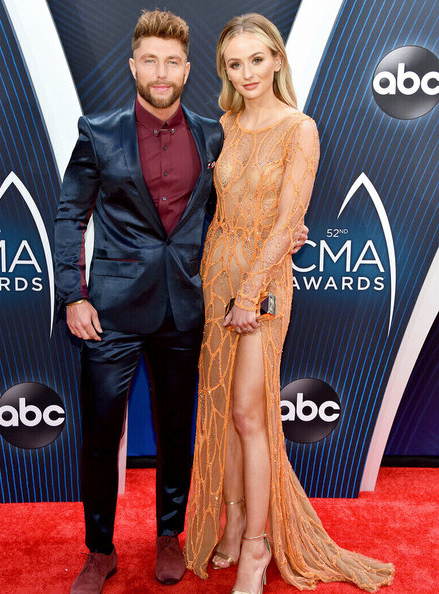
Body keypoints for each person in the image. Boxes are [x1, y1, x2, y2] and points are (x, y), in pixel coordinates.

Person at [54, 8, 310, 593]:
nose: (161, 72)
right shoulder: (98, 131)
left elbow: (230, 209)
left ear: (188, 69)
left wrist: (285, 231)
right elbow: (70, 216)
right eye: (150, 61)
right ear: (133, 66)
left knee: (177, 431)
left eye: (172, 62)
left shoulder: (214, 132)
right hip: (110, 311)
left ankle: (169, 535)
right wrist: (73, 296)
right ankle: (99, 550)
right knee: (101, 434)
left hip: (189, 307)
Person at [185, 13, 395, 594]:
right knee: (222, 410)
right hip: (216, 273)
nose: (247, 73)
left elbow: (287, 221)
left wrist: (250, 293)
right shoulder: (223, 125)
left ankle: (256, 548)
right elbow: (208, 204)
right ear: (225, 71)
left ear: (276, 59)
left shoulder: (300, 129)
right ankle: (231, 525)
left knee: (250, 415)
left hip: (263, 283)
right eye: (234, 64)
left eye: (257, 59)